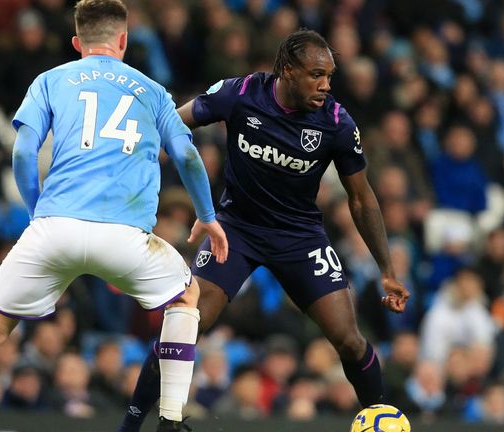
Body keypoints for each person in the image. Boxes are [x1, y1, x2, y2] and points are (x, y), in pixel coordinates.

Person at [0, 1, 228, 431]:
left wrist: (35, 211)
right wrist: (207, 215)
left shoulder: (51, 80)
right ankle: (170, 420)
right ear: (124, 40)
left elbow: (23, 152)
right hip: (126, 236)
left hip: (54, 227)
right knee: (186, 299)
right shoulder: (152, 91)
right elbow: (188, 155)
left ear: (77, 42)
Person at [117, 29, 410, 432]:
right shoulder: (240, 94)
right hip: (236, 230)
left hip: (300, 237)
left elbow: (362, 198)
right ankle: (131, 426)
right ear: (287, 70)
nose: (326, 85)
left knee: (348, 339)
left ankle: (381, 419)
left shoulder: (337, 123)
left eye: (330, 75)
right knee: (185, 324)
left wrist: (387, 269)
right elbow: (171, 124)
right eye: (316, 74)